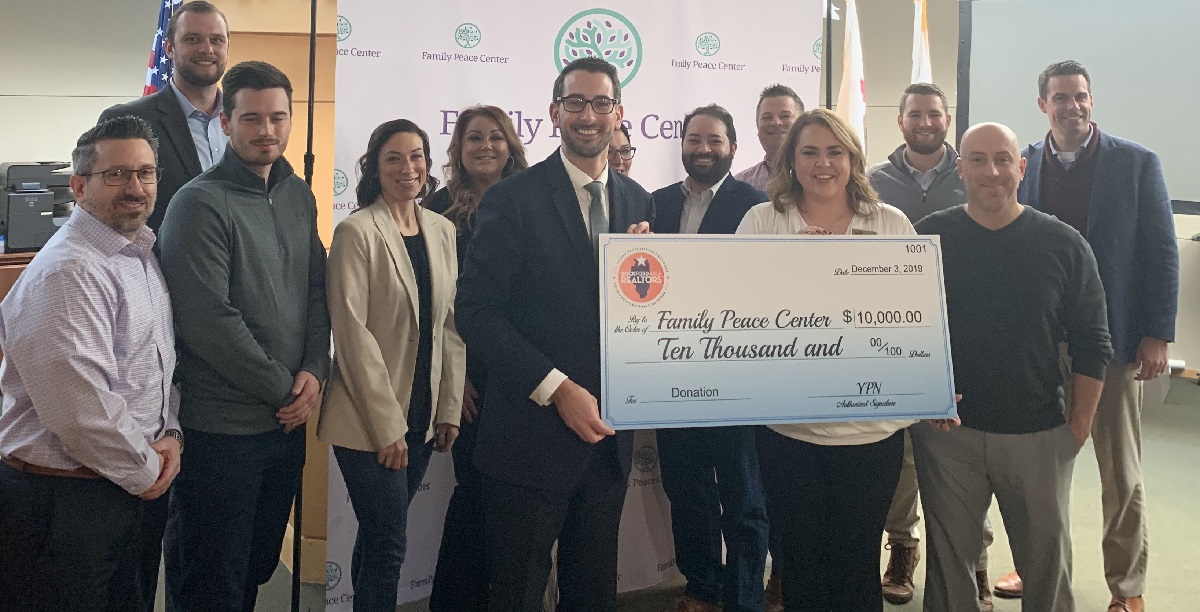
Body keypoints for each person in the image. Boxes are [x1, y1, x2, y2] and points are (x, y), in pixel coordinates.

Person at [455, 56, 654, 612]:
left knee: (593, 593)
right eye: (575, 103)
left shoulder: (639, 202)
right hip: (528, 439)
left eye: (600, 104)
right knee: (516, 593)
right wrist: (557, 389)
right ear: (554, 113)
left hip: (608, 442)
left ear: (618, 113)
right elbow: (475, 314)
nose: (588, 116)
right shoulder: (511, 199)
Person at [989, 60, 1178, 612]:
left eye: (1081, 97)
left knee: (1120, 471)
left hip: (1114, 343)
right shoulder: (1023, 163)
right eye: (1061, 97)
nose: (1072, 106)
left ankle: (1127, 587)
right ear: (1042, 105)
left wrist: (1156, 334)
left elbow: (1161, 254)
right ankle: (1038, 568)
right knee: (1042, 471)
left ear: (1091, 101)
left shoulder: (1137, 163)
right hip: (1044, 346)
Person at [912, 122, 1113, 612]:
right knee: (949, 570)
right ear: (960, 169)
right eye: (977, 159)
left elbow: (1094, 342)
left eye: (1003, 159)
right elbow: (899, 331)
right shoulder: (926, 239)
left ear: (1021, 169)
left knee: (1046, 568)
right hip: (948, 437)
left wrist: (1078, 429)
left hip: (1038, 434)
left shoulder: (1064, 245)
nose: (991, 171)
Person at [158, 61, 331, 611]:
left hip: (284, 428)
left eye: (278, 118)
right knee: (212, 583)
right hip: (220, 433)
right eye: (251, 118)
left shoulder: (298, 195)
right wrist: (286, 389)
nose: (267, 131)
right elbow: (211, 321)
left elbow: (316, 287)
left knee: (256, 569)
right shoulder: (198, 203)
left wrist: (315, 372)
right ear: (226, 123)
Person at [735, 108, 923, 612]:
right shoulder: (762, 221)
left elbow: (913, 319)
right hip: (788, 430)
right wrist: (791, 270)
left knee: (856, 561)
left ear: (853, 159)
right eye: (810, 152)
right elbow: (736, 311)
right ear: (790, 161)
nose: (823, 163)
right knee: (798, 563)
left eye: (834, 151)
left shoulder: (889, 223)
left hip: (870, 430)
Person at [0, 116, 182, 611]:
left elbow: (157, 367)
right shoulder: (70, 270)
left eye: (146, 173)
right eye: (117, 174)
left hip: (121, 485)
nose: (136, 187)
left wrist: (171, 436)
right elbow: (81, 414)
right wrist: (149, 473)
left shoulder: (136, 254)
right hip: (63, 503)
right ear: (79, 186)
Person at [317, 119, 465, 612]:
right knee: (389, 546)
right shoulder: (356, 231)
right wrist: (388, 428)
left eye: (417, 156)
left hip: (422, 415)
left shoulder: (442, 230)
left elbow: (449, 325)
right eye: (394, 158)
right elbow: (352, 334)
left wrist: (447, 408)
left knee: (380, 539)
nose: (409, 168)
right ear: (375, 168)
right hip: (368, 421)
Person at [867, 82, 992, 611]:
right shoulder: (871, 181)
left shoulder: (971, 174)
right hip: (891, 336)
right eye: (915, 114)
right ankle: (902, 548)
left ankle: (977, 564)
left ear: (948, 119)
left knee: (965, 454)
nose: (925, 122)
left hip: (964, 334)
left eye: (934, 114)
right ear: (900, 121)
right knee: (902, 457)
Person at [649, 104, 768, 612]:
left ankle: (744, 597)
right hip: (668, 371)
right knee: (687, 489)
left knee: (744, 497)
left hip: (737, 375)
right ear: (682, 146)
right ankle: (702, 586)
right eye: (694, 140)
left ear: (733, 147)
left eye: (714, 141)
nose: (703, 149)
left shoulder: (759, 207)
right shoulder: (650, 205)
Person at [426, 104, 529, 612]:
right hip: (468, 374)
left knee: (521, 502)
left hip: (526, 370)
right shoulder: (439, 208)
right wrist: (454, 377)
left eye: (495, 136)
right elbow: (435, 302)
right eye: (474, 138)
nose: (485, 146)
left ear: (510, 145)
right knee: (475, 493)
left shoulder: (533, 201)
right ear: (458, 149)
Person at [99, 0, 229, 233]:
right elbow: (106, 211)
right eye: (193, 39)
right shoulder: (127, 120)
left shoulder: (245, 120)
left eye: (216, 40)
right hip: (157, 265)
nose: (207, 49)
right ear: (169, 48)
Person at [734, 84, 804, 193]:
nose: (776, 122)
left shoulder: (818, 176)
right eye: (767, 117)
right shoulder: (741, 184)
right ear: (757, 126)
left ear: (802, 124)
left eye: (785, 116)